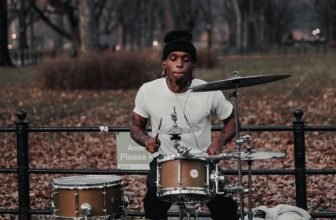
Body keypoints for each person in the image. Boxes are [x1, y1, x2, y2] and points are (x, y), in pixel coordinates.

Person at [129, 30, 238, 220]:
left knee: (225, 207)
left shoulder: (208, 91)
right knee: (153, 206)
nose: (179, 63)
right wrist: (146, 140)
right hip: (164, 161)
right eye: (173, 58)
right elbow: (135, 126)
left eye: (186, 59)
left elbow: (232, 121)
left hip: (202, 160)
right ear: (164, 63)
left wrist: (219, 142)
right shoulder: (148, 91)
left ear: (193, 64)